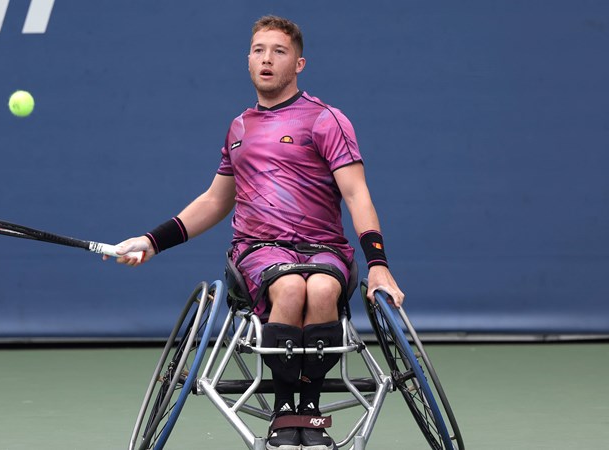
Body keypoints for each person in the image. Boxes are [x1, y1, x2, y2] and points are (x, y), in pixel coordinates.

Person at [106, 15, 404, 450]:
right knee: (288, 289)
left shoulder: (327, 120)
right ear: (248, 60)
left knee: (321, 289)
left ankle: (310, 410)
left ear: (299, 64)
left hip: (324, 249)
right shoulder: (239, 128)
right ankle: (286, 410)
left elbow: (357, 195)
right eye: (258, 50)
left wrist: (378, 267)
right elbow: (214, 201)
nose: (267, 59)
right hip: (258, 250)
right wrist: (152, 240)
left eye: (279, 52)